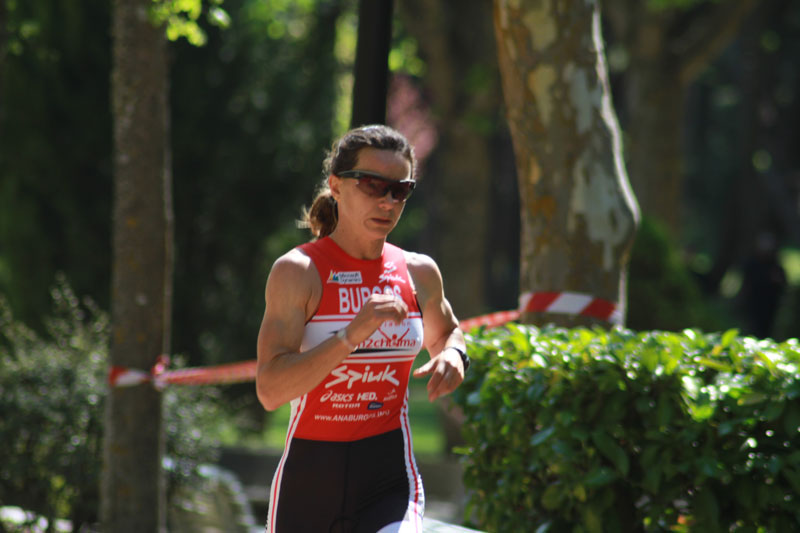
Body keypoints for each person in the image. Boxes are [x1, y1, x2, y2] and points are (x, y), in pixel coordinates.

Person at [256, 124, 469, 533]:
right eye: (372, 185)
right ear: (336, 186)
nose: (387, 201)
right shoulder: (299, 272)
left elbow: (448, 331)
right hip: (310, 477)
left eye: (400, 190)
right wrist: (350, 336)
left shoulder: (419, 271)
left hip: (388, 472)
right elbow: (270, 390)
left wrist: (454, 354)